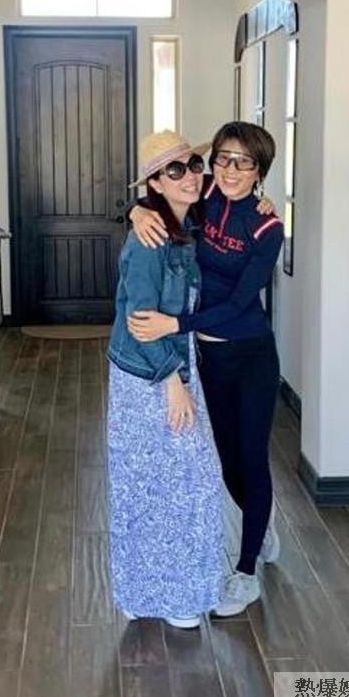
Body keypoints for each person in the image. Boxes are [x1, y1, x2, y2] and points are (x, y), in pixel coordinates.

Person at [127, 121, 284, 617]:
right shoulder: (204, 195)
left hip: (251, 355)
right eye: (223, 158)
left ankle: (245, 572)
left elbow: (239, 303)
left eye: (244, 162)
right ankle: (260, 527)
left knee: (251, 459)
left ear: (259, 171)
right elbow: (157, 195)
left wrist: (177, 323)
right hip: (207, 359)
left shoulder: (267, 228)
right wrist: (134, 211)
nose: (230, 170)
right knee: (226, 461)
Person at [106, 130, 223, 629]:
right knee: (152, 484)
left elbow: (239, 194)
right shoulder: (149, 237)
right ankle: (146, 593)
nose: (189, 176)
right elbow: (140, 318)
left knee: (178, 482)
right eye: (174, 170)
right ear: (155, 182)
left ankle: (172, 592)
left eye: (193, 164)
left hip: (176, 363)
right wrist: (173, 382)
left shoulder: (185, 219)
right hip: (148, 375)